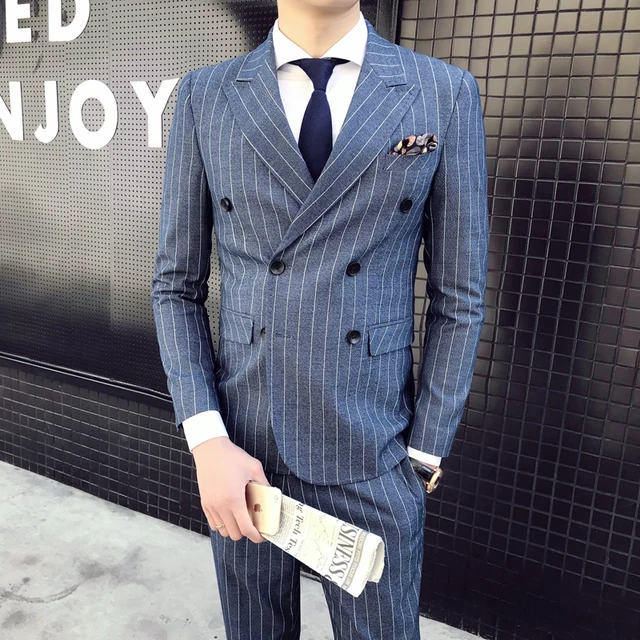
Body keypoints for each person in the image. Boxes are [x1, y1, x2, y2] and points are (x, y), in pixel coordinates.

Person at [150, 0, 488, 638]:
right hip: (245, 448)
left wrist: (422, 456)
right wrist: (207, 440)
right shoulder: (205, 96)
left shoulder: (442, 92)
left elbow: (459, 294)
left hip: (372, 446)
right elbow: (175, 286)